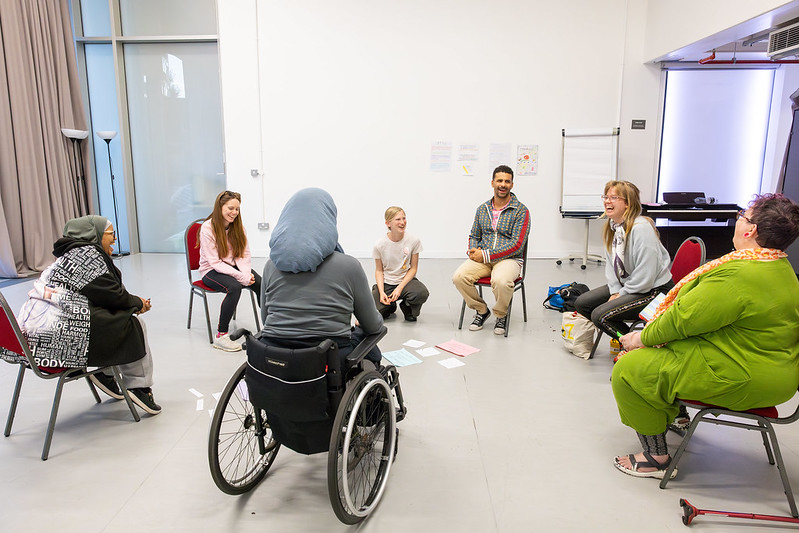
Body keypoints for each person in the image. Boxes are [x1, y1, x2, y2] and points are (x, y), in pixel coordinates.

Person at [612, 193, 799, 479]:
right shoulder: (778, 266)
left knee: (629, 368)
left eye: (743, 216)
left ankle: (655, 457)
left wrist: (639, 339)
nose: (738, 221)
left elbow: (681, 320)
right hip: (772, 371)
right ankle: (678, 416)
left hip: (745, 375)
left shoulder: (739, 274)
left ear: (751, 230)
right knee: (663, 352)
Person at [9, 215, 161, 415]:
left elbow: (98, 294)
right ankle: (138, 387)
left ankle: (105, 373)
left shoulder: (70, 253)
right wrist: (137, 303)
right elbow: (114, 296)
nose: (115, 239)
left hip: (32, 341)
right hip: (59, 342)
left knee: (111, 317)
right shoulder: (88, 256)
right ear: (94, 234)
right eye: (111, 234)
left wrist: (131, 303)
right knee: (133, 323)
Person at [260, 188, 383, 366]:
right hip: (328, 357)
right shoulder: (349, 266)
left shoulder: (271, 266)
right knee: (372, 350)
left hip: (276, 356)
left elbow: (266, 319)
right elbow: (373, 326)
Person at [574, 180, 673, 348]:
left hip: (654, 291)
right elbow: (612, 268)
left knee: (600, 316)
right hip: (631, 285)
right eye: (605, 196)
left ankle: (637, 344)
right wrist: (615, 291)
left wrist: (622, 294)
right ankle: (626, 337)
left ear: (627, 204)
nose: (607, 201)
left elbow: (645, 275)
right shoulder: (613, 227)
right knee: (582, 303)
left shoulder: (641, 228)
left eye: (614, 197)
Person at [452, 165, 529, 336]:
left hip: (510, 259)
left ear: (512, 185)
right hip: (483, 258)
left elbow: (517, 244)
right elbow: (474, 234)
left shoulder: (521, 211)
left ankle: (501, 314)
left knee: (500, 281)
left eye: (507, 181)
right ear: (492, 182)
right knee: (459, 277)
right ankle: (481, 310)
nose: (503, 184)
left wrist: (486, 254)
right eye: (499, 180)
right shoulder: (482, 209)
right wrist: (473, 249)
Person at [198, 190, 261, 352]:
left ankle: (271, 326)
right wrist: (241, 277)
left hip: (232, 267)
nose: (234, 213)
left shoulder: (238, 228)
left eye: (237, 209)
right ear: (220, 207)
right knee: (234, 287)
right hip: (211, 270)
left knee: (260, 282)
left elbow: (243, 254)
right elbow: (215, 262)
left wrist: (246, 274)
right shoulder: (207, 228)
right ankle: (221, 336)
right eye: (230, 208)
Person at [372, 206, 429, 322]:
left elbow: (413, 268)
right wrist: (382, 292)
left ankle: (407, 307)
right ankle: (389, 306)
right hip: (387, 282)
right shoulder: (379, 245)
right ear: (388, 223)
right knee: (374, 312)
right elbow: (379, 270)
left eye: (404, 218)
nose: (402, 222)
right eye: (398, 219)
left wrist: (399, 288)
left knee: (421, 293)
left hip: (405, 281)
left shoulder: (414, 240)